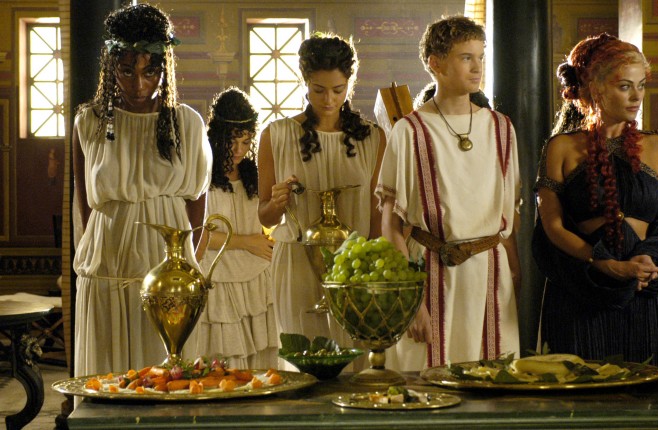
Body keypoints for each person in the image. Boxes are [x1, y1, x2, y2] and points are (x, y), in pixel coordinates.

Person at [72, 3, 211, 377]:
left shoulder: (187, 123)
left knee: (166, 372)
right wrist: (92, 250)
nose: (139, 84)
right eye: (126, 71)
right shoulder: (90, 121)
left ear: (165, 68)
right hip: (107, 255)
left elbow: (197, 202)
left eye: (150, 72)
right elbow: (84, 203)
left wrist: (185, 264)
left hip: (166, 258)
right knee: (107, 369)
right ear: (110, 65)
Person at [532, 33, 658, 374]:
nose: (637, 97)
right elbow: (551, 225)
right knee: (580, 390)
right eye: (625, 86)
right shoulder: (561, 148)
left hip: (642, 289)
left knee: (646, 390)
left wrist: (649, 259)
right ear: (596, 89)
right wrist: (602, 262)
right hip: (581, 289)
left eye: (641, 86)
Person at [376, 15, 522, 371]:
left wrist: (512, 272)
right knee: (425, 385)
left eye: (480, 56)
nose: (477, 67)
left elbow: (510, 216)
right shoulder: (409, 131)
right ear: (436, 64)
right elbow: (391, 225)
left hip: (489, 276)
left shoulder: (501, 128)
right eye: (466, 57)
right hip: (429, 275)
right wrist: (410, 299)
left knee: (494, 382)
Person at [258, 33, 386, 344]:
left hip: (354, 266)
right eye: (319, 90)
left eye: (337, 90)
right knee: (305, 355)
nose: (329, 100)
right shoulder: (276, 135)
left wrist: (371, 268)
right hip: (297, 266)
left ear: (349, 84)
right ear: (304, 82)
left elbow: (377, 216)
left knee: (356, 357)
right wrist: (276, 202)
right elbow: (266, 217)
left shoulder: (373, 138)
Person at [192, 87, 278, 368]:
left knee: (261, 364)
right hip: (218, 277)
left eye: (246, 141)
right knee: (223, 364)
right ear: (217, 136)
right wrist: (247, 242)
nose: (239, 150)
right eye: (232, 141)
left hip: (256, 279)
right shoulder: (201, 174)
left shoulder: (254, 174)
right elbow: (197, 235)